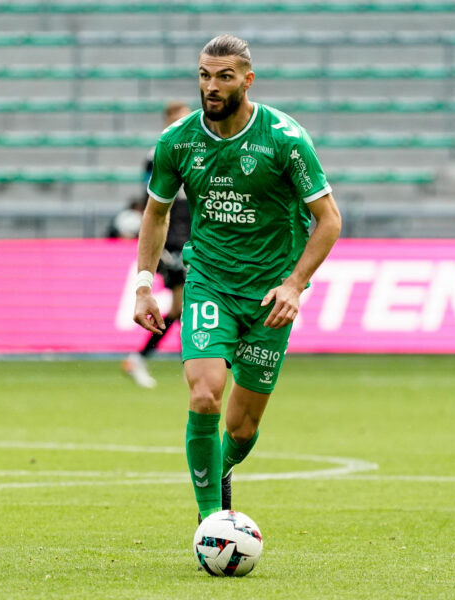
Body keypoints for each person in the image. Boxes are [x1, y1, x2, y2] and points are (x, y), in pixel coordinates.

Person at [132, 34, 341, 522]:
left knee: (242, 428)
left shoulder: (285, 139)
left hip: (271, 295)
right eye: (204, 75)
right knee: (204, 392)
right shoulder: (177, 141)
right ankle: (211, 522)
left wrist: (294, 285)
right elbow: (156, 214)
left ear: (248, 80)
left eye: (224, 76)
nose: (211, 86)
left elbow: (328, 219)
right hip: (209, 280)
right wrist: (144, 282)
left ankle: (222, 467)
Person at [122, 101, 193, 388]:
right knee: (185, 304)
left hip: (189, 233)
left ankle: (139, 359)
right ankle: (192, 363)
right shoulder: (159, 153)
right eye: (178, 120)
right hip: (170, 237)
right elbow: (154, 199)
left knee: (180, 309)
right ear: (167, 122)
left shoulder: (197, 149)